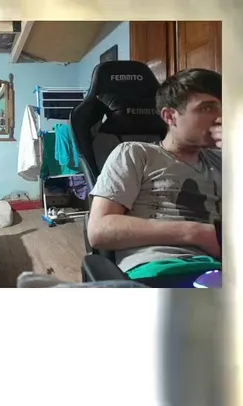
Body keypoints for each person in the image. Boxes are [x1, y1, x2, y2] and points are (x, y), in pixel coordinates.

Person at [87, 69, 223, 286]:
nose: (220, 118)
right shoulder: (135, 154)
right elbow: (99, 230)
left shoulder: (225, 160)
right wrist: (195, 232)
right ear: (169, 116)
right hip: (163, 270)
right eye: (207, 108)